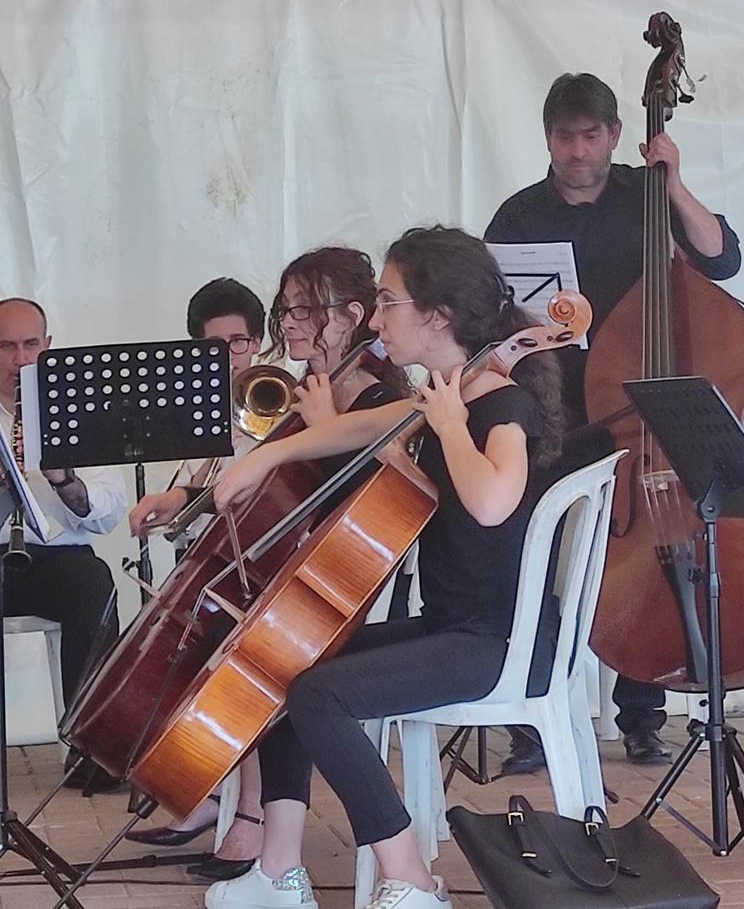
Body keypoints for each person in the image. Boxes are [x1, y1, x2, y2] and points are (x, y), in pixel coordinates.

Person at [202, 225, 564, 909]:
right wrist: (265, 455)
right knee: (286, 662)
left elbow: (493, 503)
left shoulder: (502, 406)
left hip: (501, 643)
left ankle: (413, 879)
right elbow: (362, 427)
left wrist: (450, 426)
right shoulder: (451, 394)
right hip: (454, 628)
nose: (376, 319)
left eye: (389, 302)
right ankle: (279, 875)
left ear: (437, 315)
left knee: (321, 695)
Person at [484, 72, 741, 767]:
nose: (578, 151)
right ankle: (532, 719)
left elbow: (722, 259)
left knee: (647, 556)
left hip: (636, 415)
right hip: (554, 411)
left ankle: (642, 717)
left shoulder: (647, 195)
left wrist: (675, 184)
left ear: (616, 135)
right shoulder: (518, 217)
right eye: (565, 137)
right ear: (548, 139)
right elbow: (489, 314)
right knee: (527, 556)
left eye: (591, 136)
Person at [128, 251, 407, 882]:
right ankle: (212, 798)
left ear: (350, 316)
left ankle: (256, 823)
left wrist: (326, 427)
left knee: (259, 658)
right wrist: (183, 499)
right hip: (295, 579)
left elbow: (382, 495)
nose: (289, 324)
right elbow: (260, 483)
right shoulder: (312, 387)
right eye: (285, 310)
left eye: (303, 310)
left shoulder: (378, 396)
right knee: (220, 636)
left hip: (338, 589)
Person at [127, 277, 267, 875]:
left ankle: (250, 814)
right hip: (218, 570)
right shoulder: (203, 418)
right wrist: (170, 500)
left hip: (260, 572)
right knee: (177, 652)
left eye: (239, 343)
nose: (230, 357)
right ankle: (204, 794)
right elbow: (200, 492)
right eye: (214, 347)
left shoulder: (273, 405)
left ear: (258, 343)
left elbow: (254, 495)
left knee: (228, 660)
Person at [0, 297, 127, 790]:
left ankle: (91, 748)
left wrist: (64, 480)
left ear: (49, 346)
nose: (20, 359)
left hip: (60, 561)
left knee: (94, 583)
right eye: (6, 347)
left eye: (30, 345)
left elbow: (109, 511)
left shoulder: (79, 411)